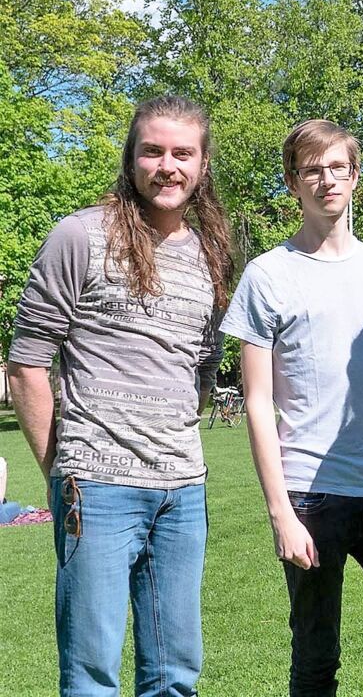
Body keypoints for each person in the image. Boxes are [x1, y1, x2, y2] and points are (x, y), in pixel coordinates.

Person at [7, 95, 231, 696]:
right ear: (131, 159)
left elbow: (201, 366)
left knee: (175, 675)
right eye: (152, 151)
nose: (168, 166)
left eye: (183, 153)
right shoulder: (79, 235)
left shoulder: (210, 254)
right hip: (97, 487)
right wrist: (60, 468)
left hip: (183, 490)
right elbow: (27, 363)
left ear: (203, 164)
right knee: (90, 674)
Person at [220, 119, 363, 696]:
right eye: (311, 170)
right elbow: (257, 401)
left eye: (337, 168)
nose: (326, 180)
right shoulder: (267, 276)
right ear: (293, 183)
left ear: (355, 176)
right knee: (317, 661)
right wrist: (281, 515)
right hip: (311, 497)